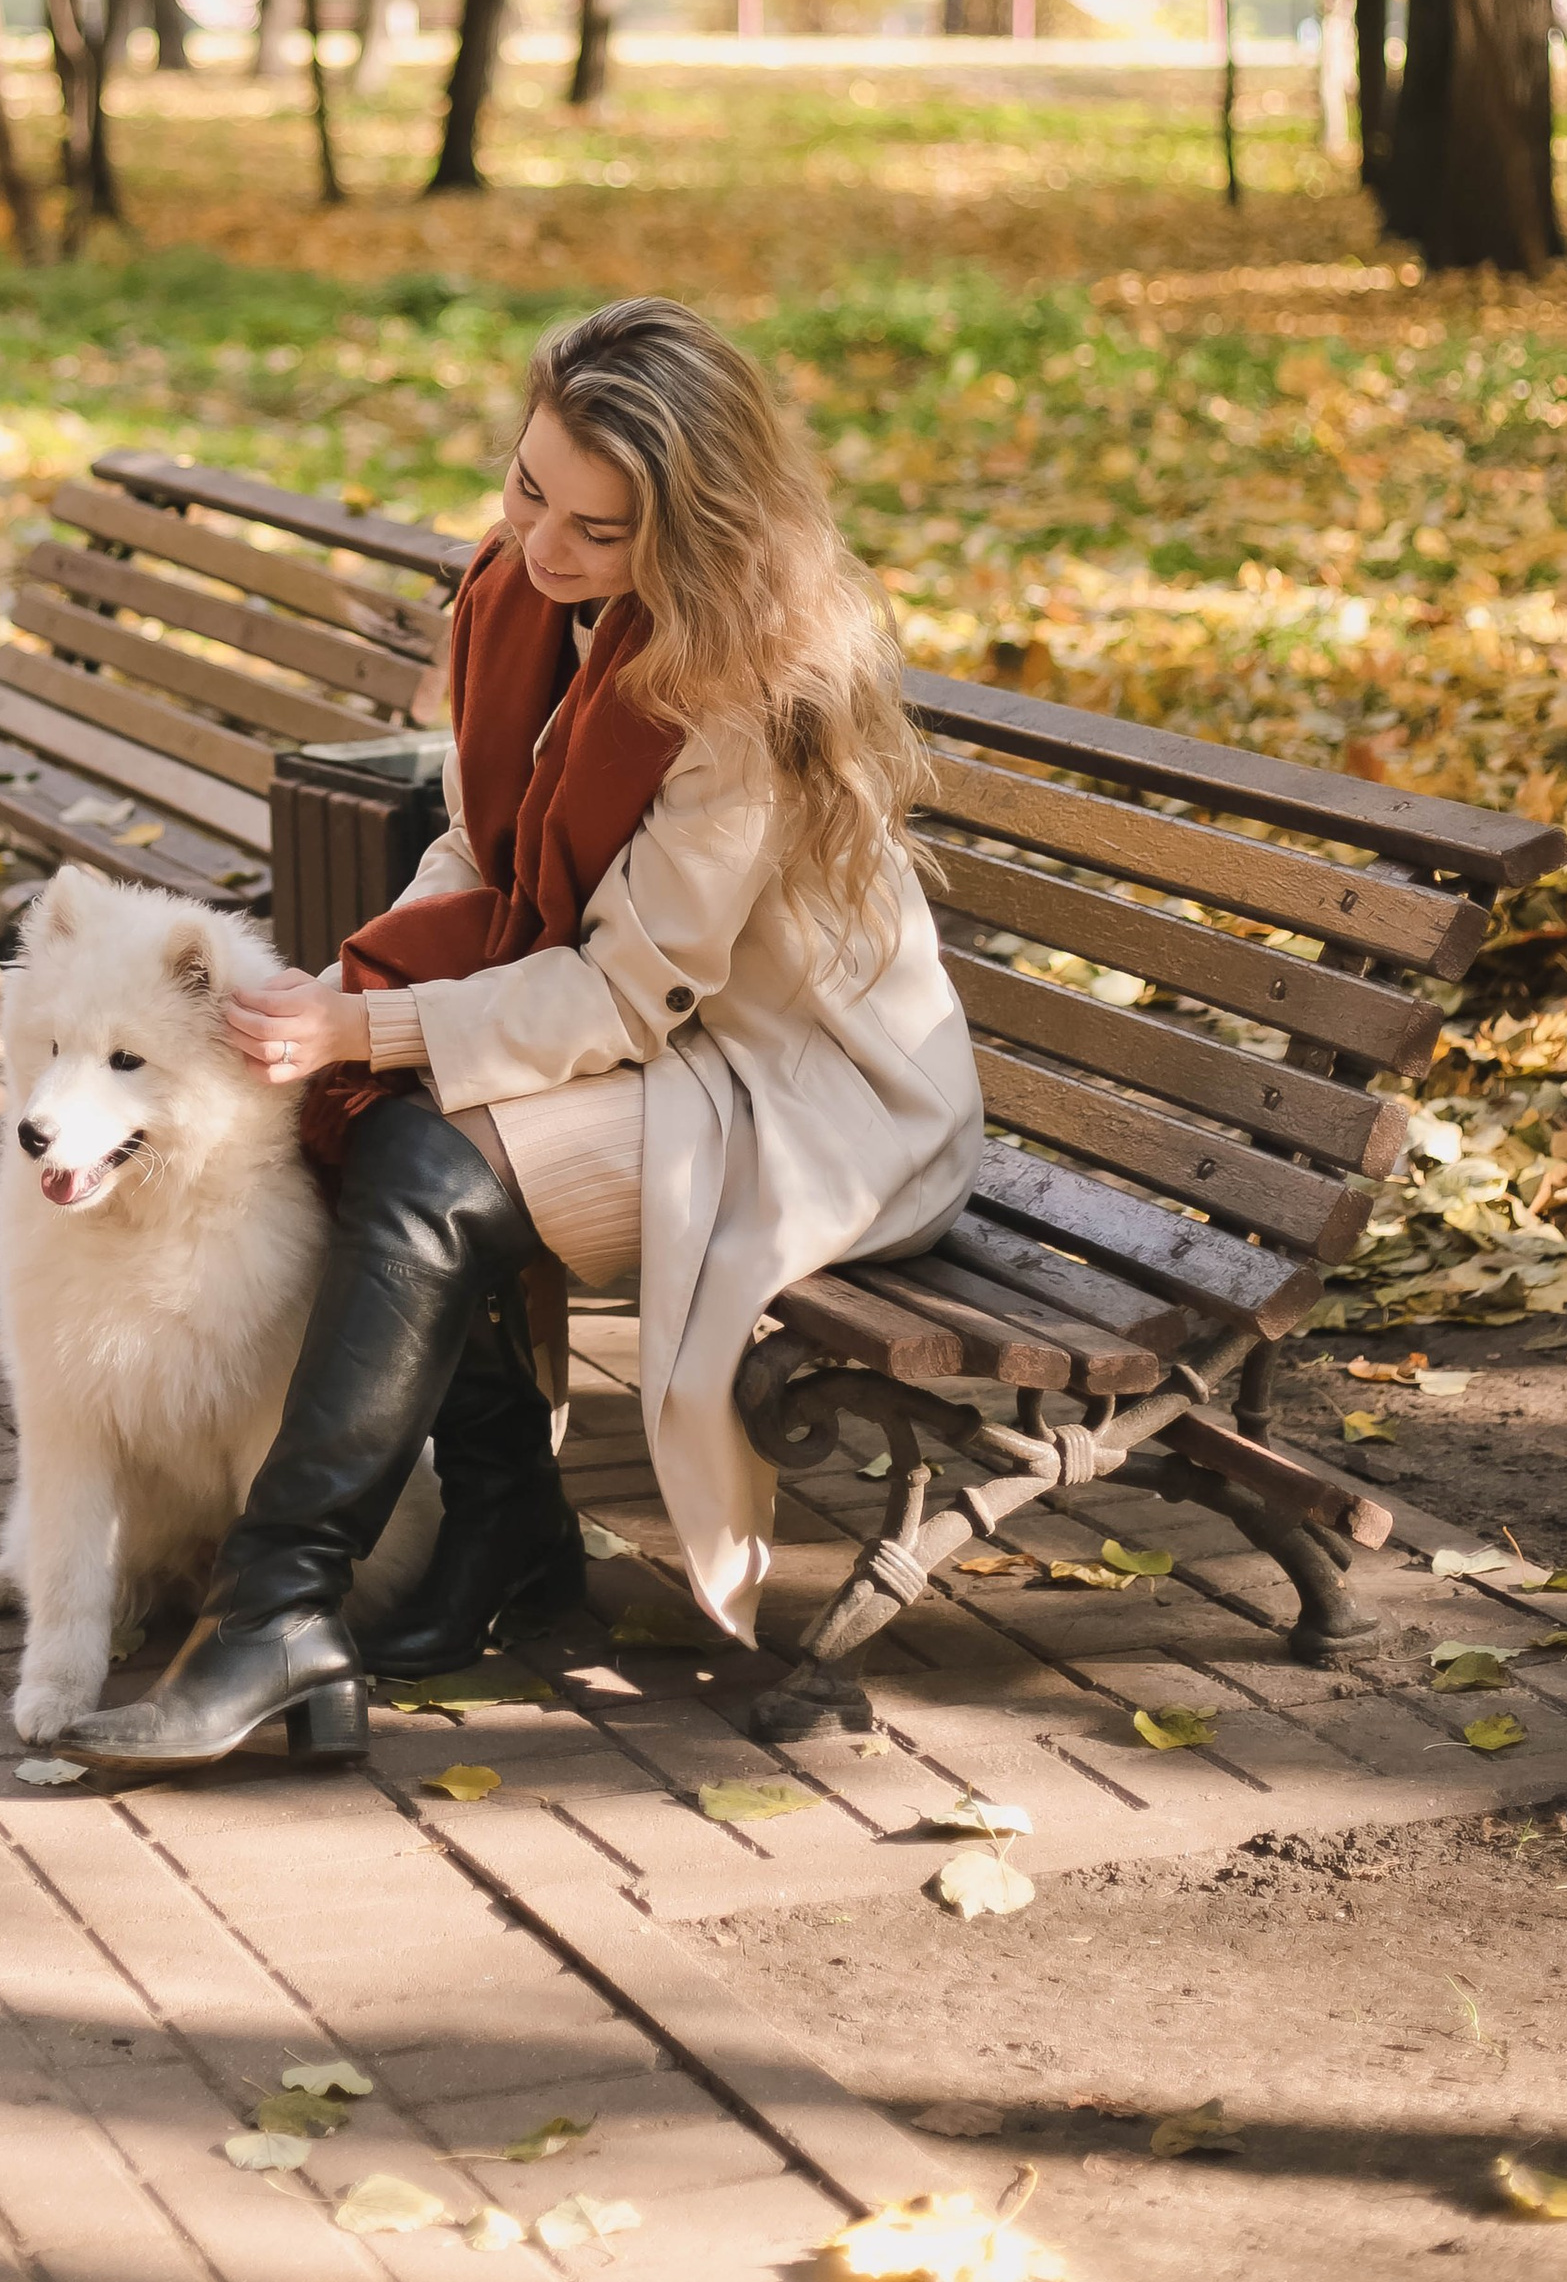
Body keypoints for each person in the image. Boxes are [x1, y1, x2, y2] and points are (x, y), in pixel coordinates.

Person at [59, 294, 982, 1776]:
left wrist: (380, 1025)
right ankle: (504, 1534)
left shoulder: (742, 692)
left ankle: (273, 1612)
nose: (546, 546)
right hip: (659, 1052)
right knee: (370, 1110)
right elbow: (479, 855)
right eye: (527, 486)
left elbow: (626, 992)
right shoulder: (522, 603)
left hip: (803, 1097)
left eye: (601, 532)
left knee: (430, 1157)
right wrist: (365, 999)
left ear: (700, 530)